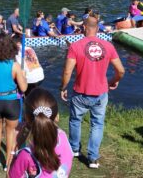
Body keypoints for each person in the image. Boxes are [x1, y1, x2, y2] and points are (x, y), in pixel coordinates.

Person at [60, 16, 125, 169]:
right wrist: (113, 81)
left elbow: (67, 72)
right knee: (97, 124)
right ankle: (93, 159)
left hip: (80, 92)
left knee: (75, 120)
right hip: (101, 93)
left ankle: (74, 149)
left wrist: (62, 88)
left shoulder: (75, 46)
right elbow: (121, 70)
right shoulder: (108, 46)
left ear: (83, 28)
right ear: (97, 29)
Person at [0, 33, 27, 171]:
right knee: (10, 131)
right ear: (10, 47)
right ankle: (8, 163)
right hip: (11, 102)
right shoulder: (14, 65)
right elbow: (24, 87)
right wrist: (23, 76)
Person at [9, 88, 73, 177]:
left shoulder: (26, 155)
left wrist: (14, 148)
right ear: (57, 116)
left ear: (27, 118)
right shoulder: (63, 137)